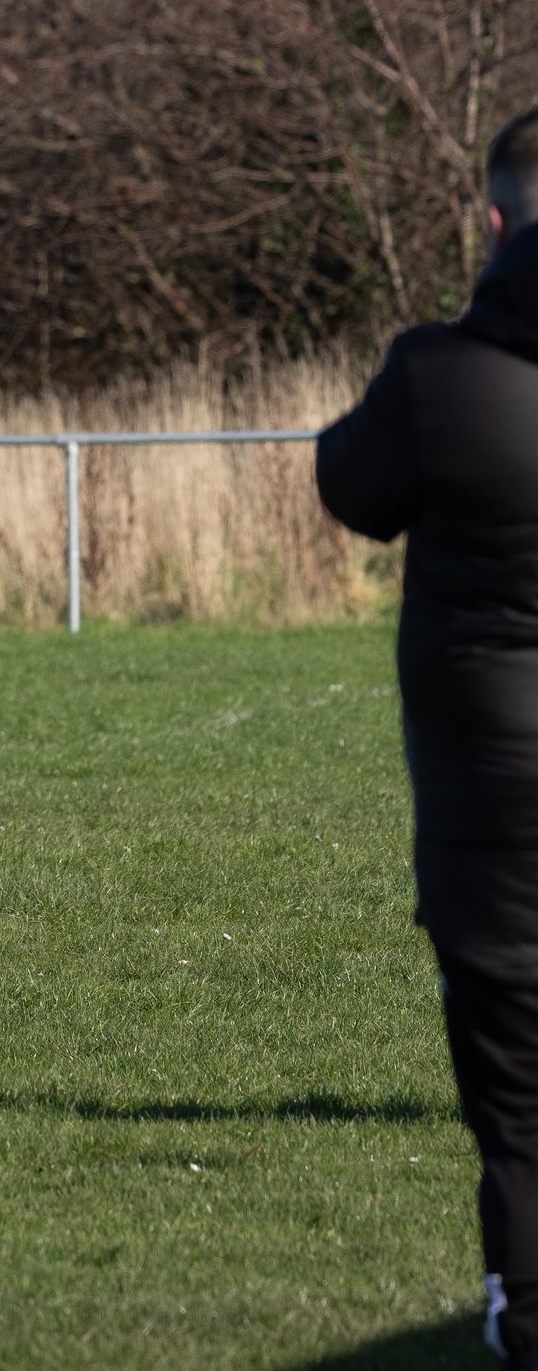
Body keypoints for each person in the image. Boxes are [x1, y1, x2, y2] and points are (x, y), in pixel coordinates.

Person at [318, 107, 538, 1369]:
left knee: (515, 1107)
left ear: (496, 225)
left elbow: (351, 483)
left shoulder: (441, 374)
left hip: (495, 819)